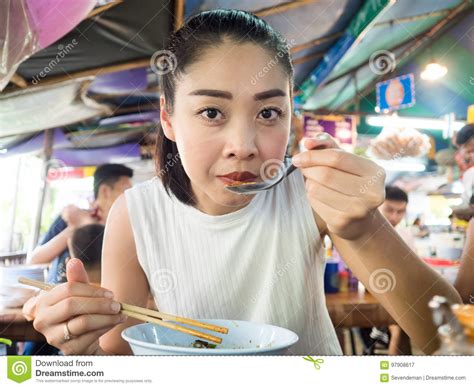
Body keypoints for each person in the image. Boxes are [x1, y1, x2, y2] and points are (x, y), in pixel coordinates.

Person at [24, 9, 461, 356]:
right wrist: (79, 343)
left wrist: (362, 228)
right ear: (168, 118)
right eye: (212, 112)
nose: (244, 145)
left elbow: (447, 341)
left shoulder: (308, 194)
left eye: (269, 113)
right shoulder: (136, 213)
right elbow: (123, 349)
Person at [29, 164, 133, 283]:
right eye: (126, 191)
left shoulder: (125, 226)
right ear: (105, 191)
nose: (130, 197)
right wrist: (75, 228)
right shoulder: (70, 218)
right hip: (61, 294)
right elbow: (35, 260)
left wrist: (88, 223)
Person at [362, 186, 414, 355]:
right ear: (377, 206)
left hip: (398, 296)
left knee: (405, 323)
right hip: (370, 298)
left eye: (401, 212)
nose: (394, 217)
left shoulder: (406, 235)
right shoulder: (362, 233)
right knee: (401, 325)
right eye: (389, 210)